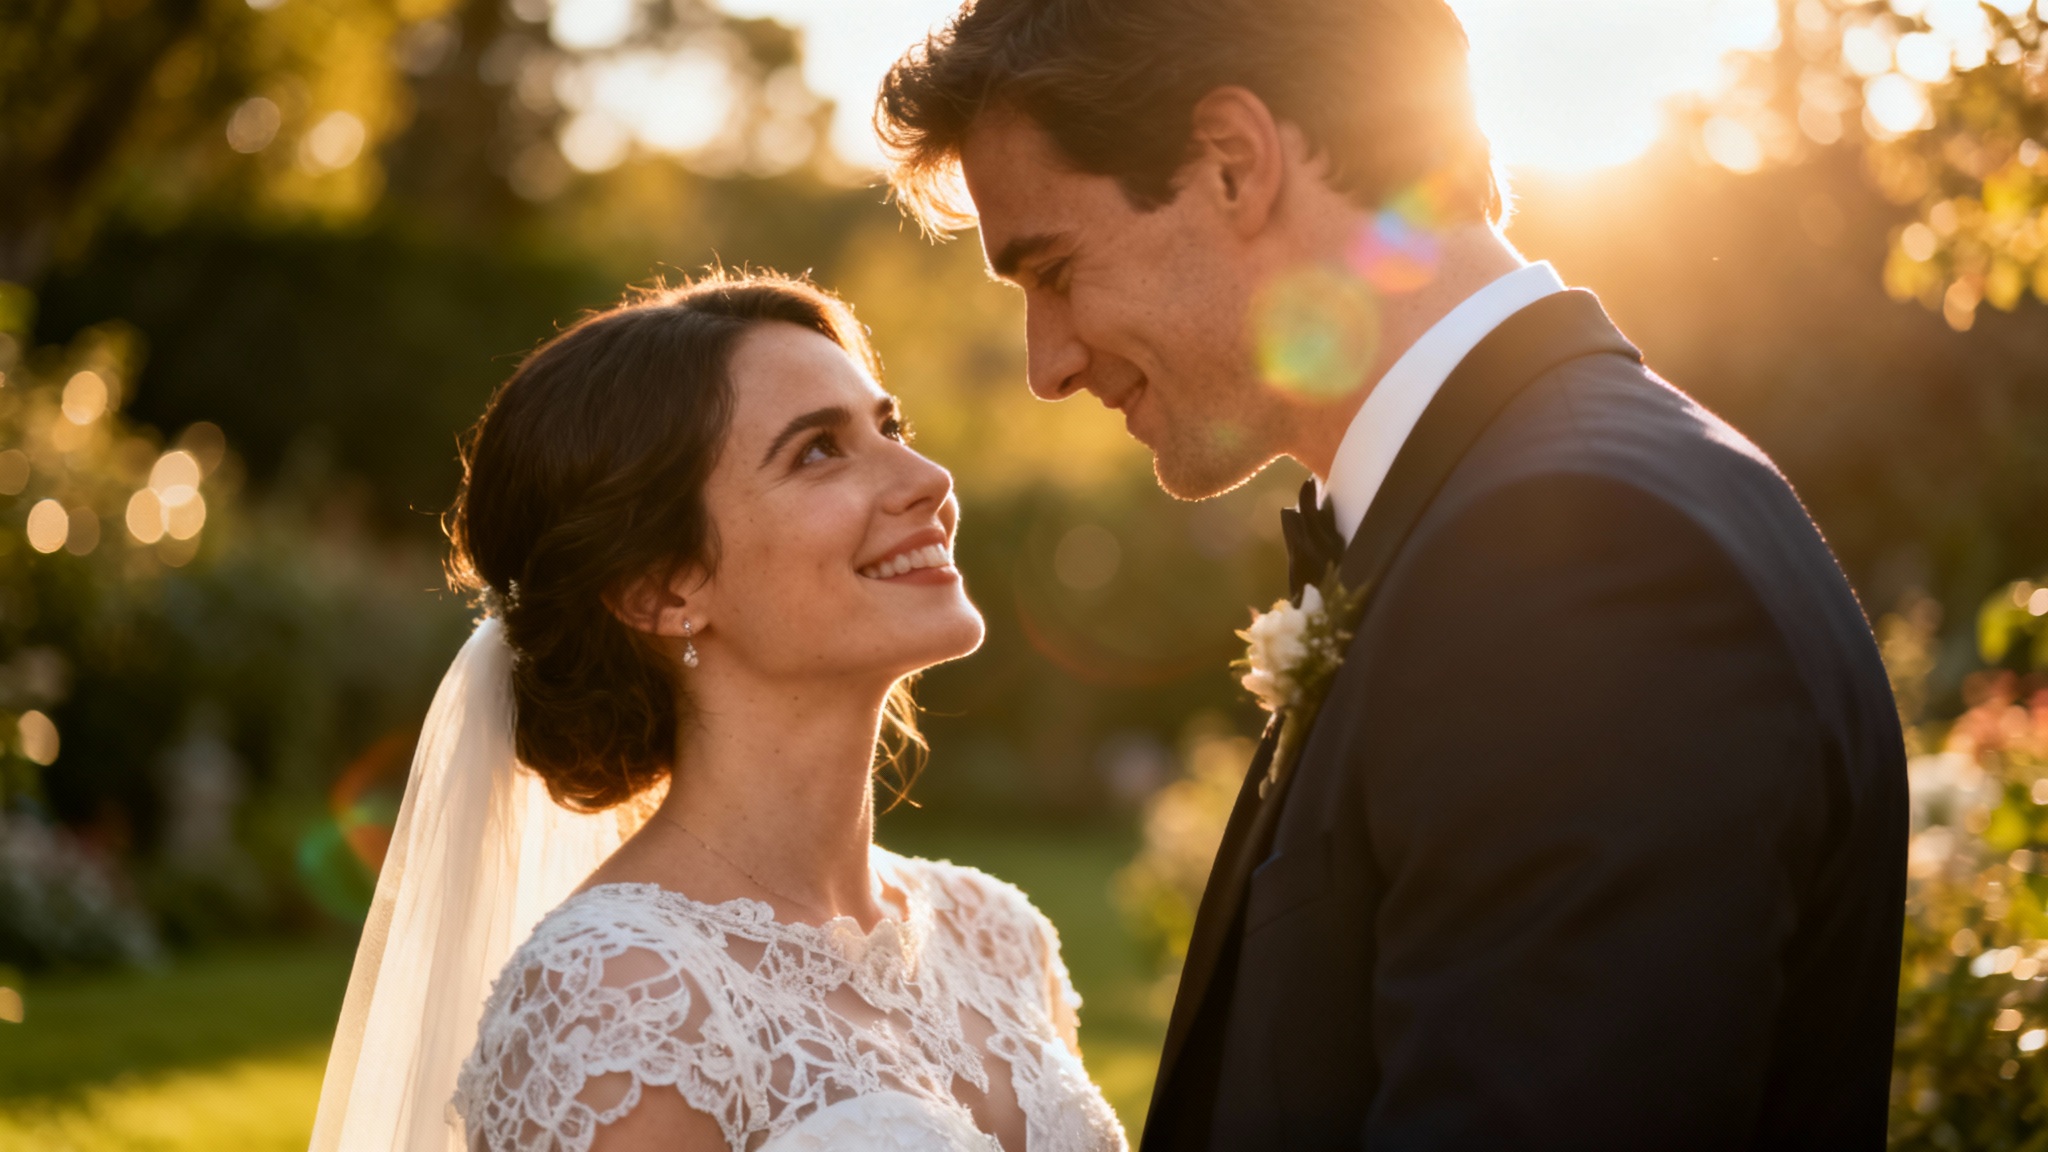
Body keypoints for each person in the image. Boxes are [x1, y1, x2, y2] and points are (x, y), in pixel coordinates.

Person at [877, 1, 1910, 1147]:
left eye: (1056, 269)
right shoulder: (1510, 518)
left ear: (1233, 163)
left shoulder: (1579, 559)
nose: (1046, 365)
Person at [307, 274, 1128, 1152]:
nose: (929, 480)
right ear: (661, 591)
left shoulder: (997, 936)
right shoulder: (616, 1001)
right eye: (818, 451)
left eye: (891, 430)